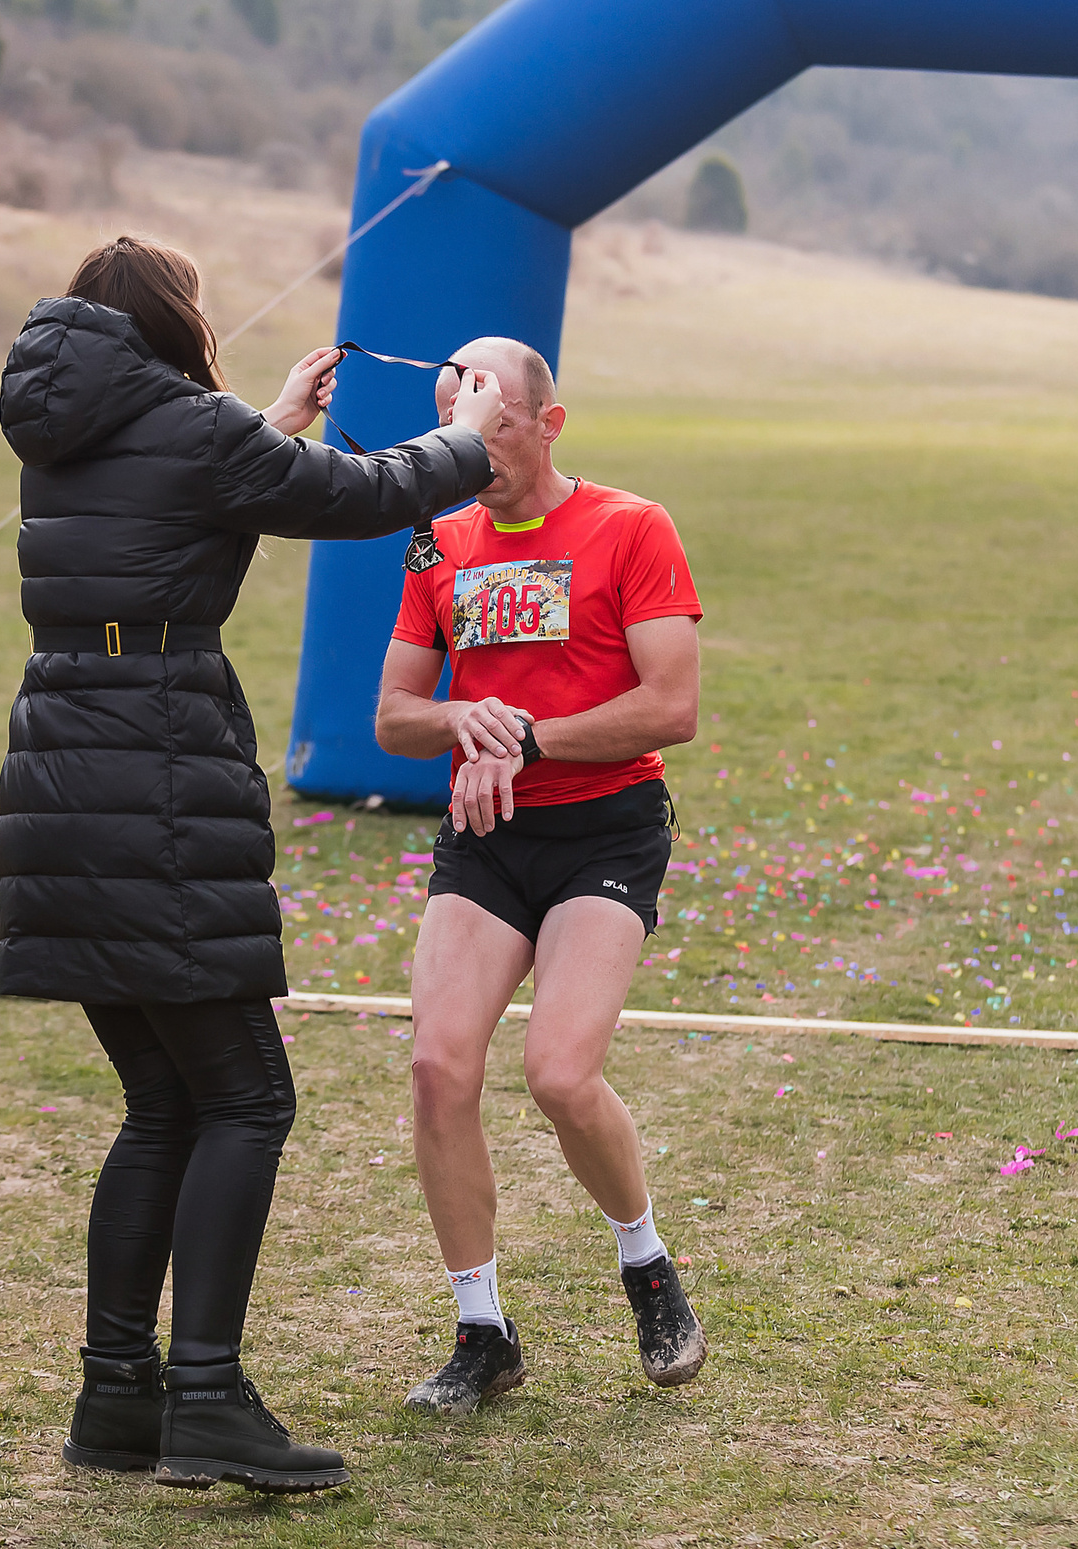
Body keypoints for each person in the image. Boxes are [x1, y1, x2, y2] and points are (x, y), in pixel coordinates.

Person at [0, 237, 503, 1490]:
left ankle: (118, 1395)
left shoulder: (73, 422)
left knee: (164, 1100)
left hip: (64, 767)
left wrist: (267, 419)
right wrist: (471, 439)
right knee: (244, 1098)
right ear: (172, 318)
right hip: (153, 776)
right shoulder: (183, 421)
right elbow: (362, 496)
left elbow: (191, 498)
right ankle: (207, 1395)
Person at [373, 336, 707, 1415]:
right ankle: (482, 1330)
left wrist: (521, 736)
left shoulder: (630, 525)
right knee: (437, 1066)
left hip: (603, 831)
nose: (474, 440)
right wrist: (458, 719)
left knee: (560, 1073)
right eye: (454, 420)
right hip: (488, 843)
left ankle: (646, 1260)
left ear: (550, 420)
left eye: (494, 417)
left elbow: (671, 707)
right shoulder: (439, 538)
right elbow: (394, 716)